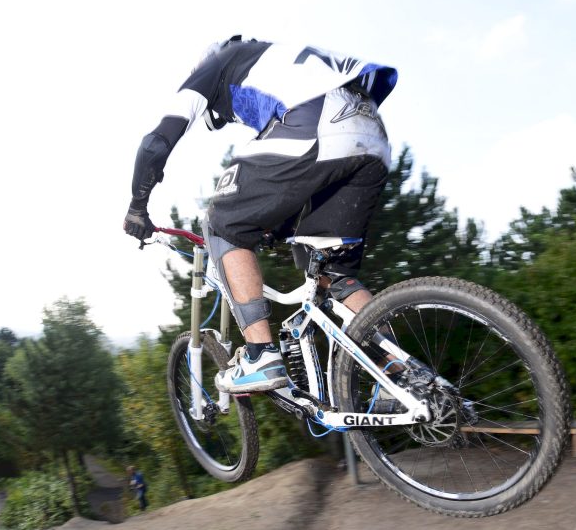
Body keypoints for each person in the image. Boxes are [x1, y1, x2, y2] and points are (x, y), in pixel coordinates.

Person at [123, 35, 397, 393]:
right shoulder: (272, 60)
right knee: (334, 273)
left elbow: (155, 142)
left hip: (317, 122)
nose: (225, 118)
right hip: (371, 135)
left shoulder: (212, 68)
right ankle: (398, 374)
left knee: (222, 222)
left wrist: (137, 206)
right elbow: (293, 181)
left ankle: (260, 355)